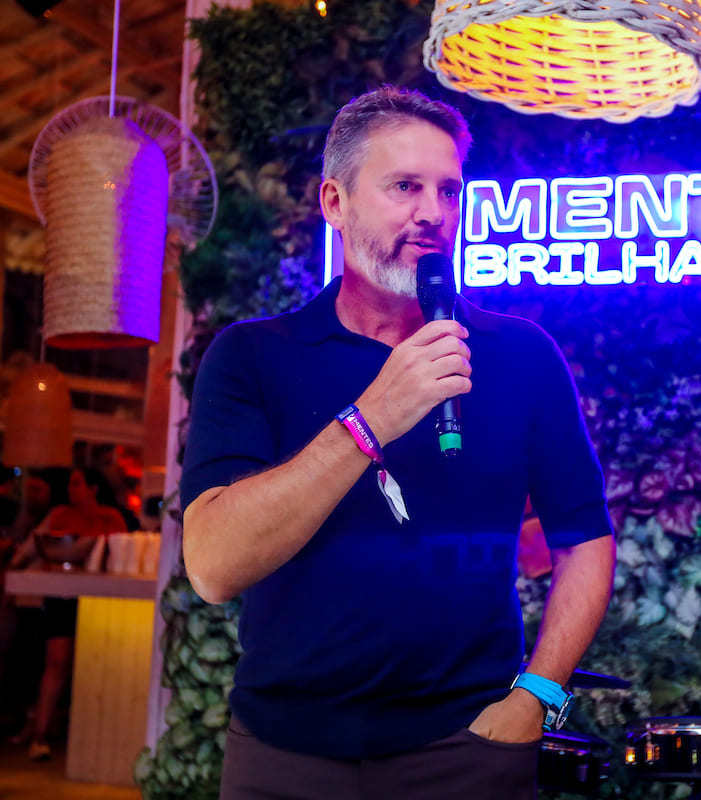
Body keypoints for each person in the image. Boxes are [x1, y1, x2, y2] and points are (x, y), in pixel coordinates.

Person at [180, 85, 615, 800]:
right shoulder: (253, 356)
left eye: (449, 190)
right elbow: (214, 568)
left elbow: (585, 539)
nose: (434, 213)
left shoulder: (522, 355)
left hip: (468, 751)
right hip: (283, 756)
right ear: (335, 202)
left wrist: (537, 696)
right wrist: (374, 416)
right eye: (405, 186)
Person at [7, 467, 131, 760]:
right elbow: (36, 545)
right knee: (57, 662)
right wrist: (13, 570)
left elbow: (120, 552)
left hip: (101, 597)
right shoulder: (60, 514)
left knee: (97, 664)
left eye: (77, 483)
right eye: (71, 484)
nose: (71, 489)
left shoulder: (110, 517)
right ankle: (39, 735)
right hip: (62, 595)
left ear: (93, 488)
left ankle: (90, 741)